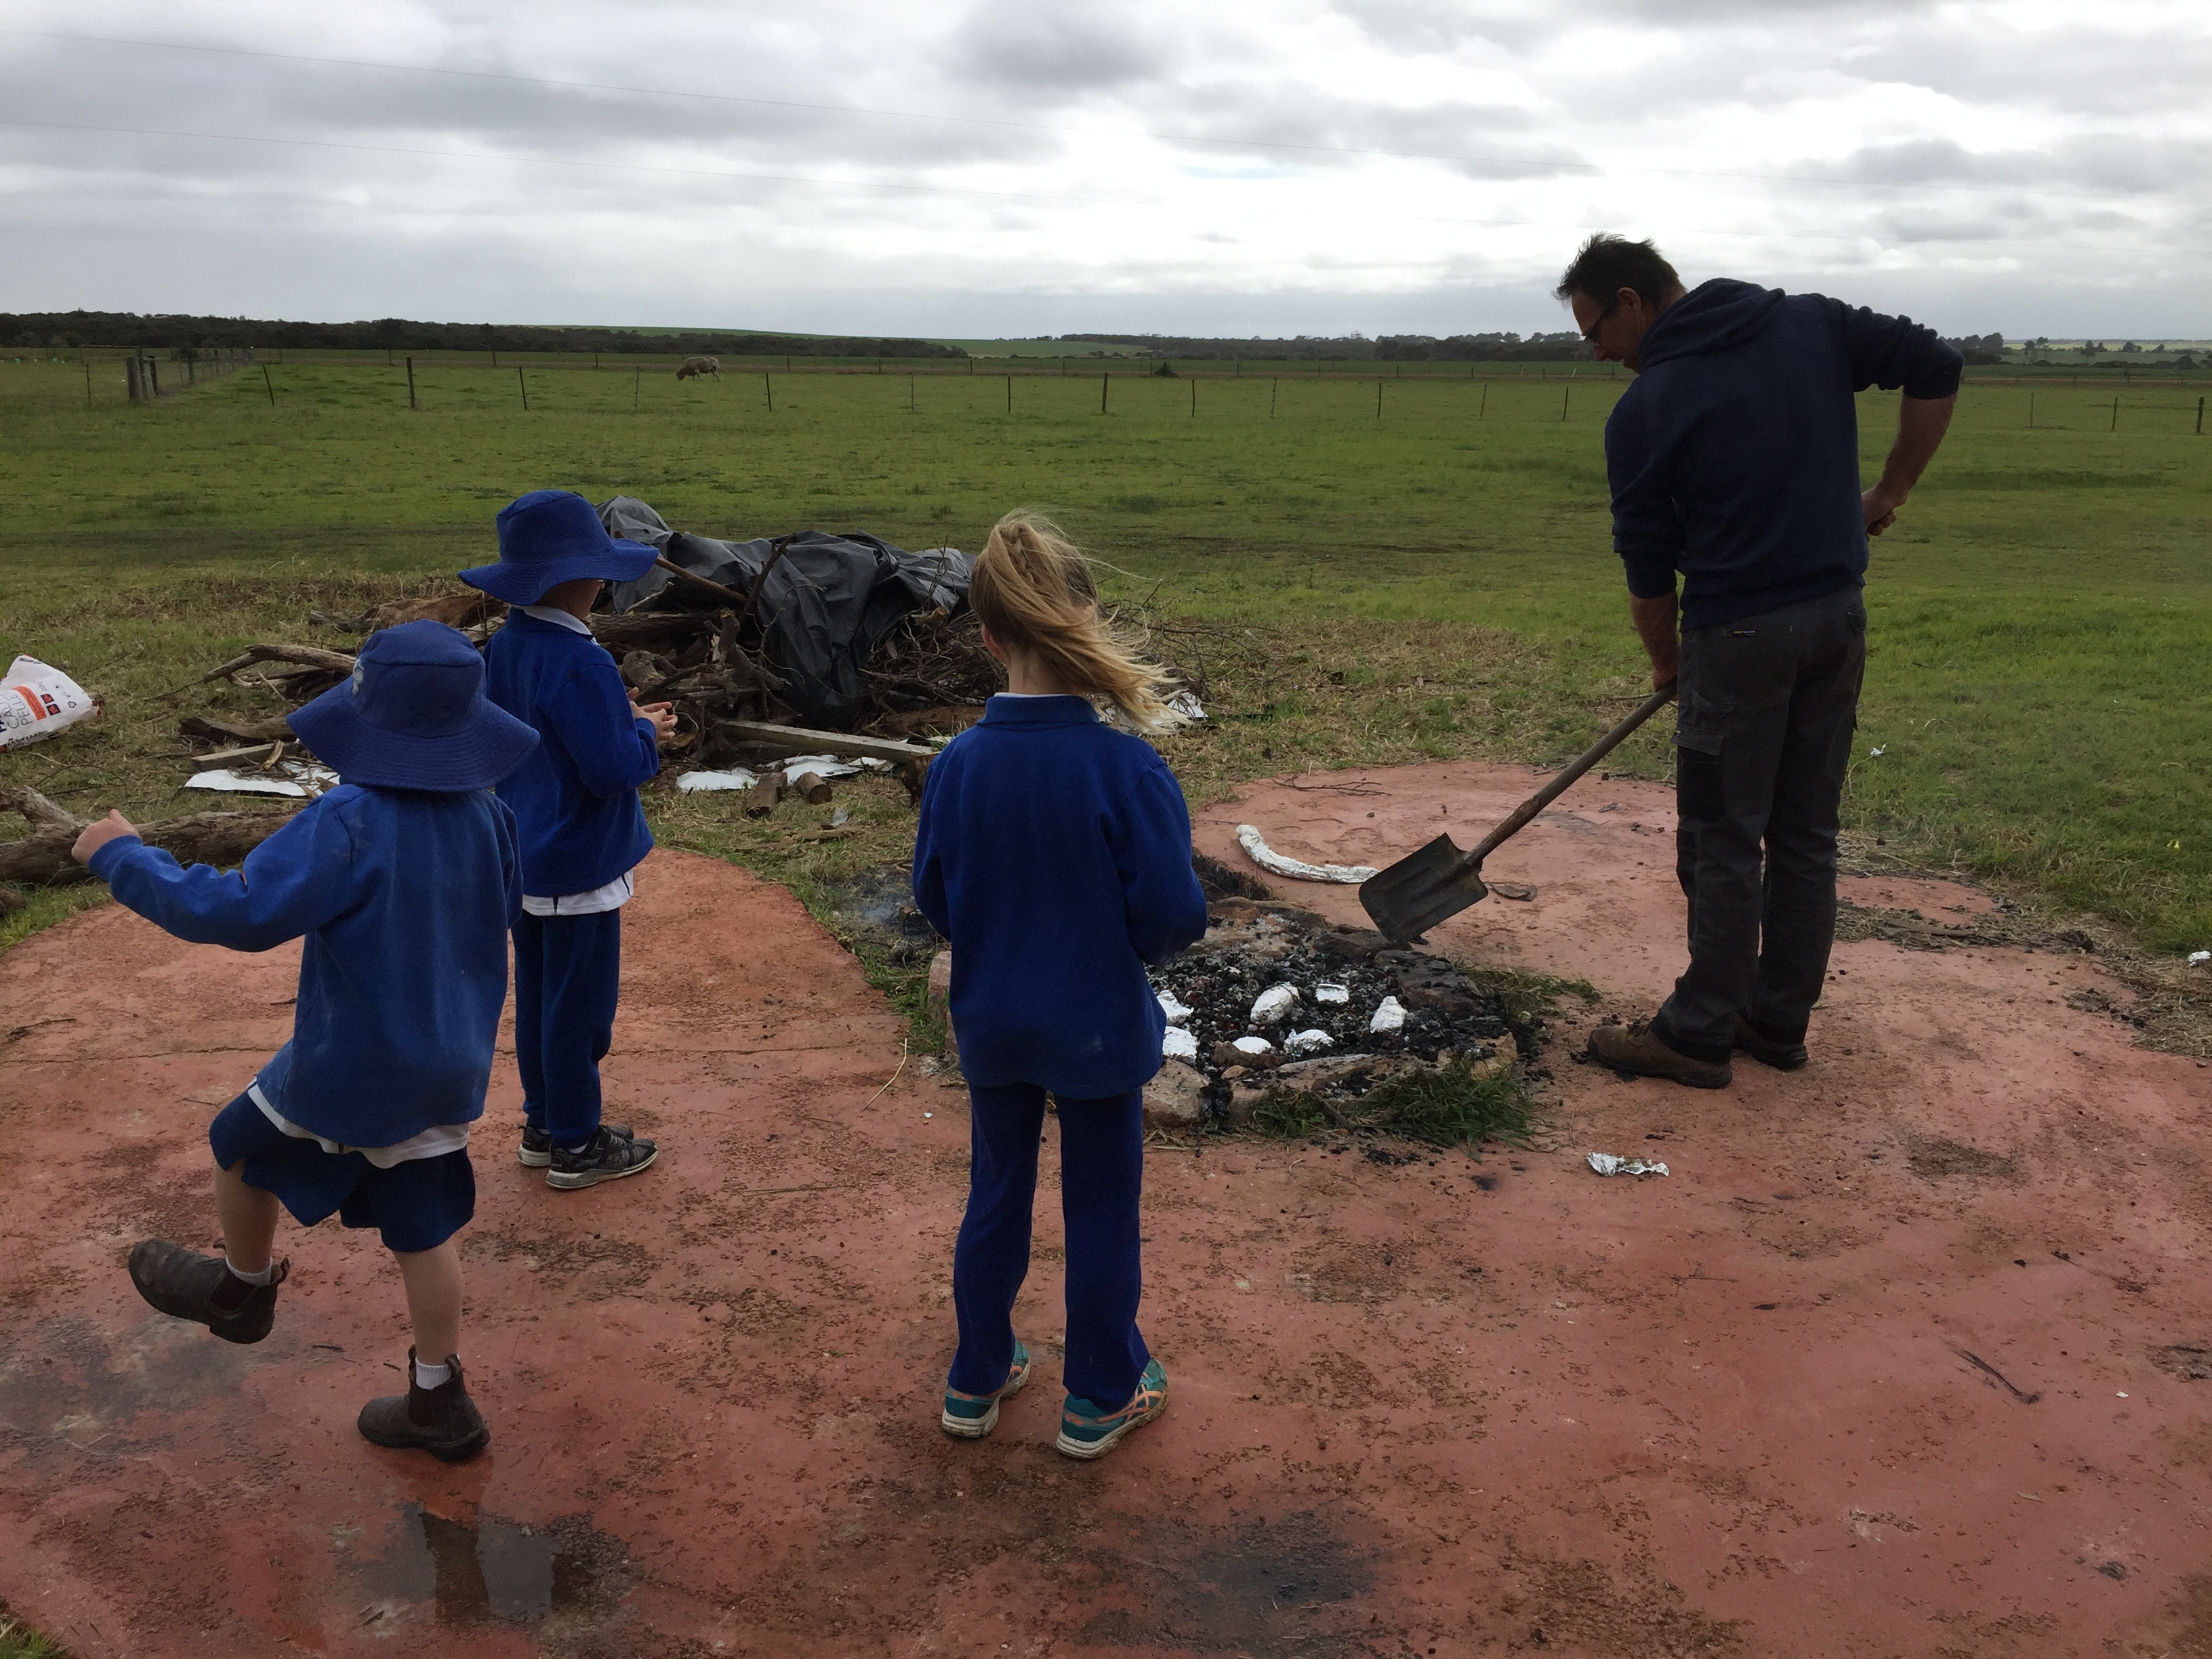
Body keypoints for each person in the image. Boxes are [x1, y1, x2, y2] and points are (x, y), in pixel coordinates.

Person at [70, 621, 539, 1462]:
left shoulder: (348, 819)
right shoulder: (492, 814)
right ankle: (440, 1400)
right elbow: (502, 912)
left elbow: (241, 913)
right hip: (450, 1064)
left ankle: (241, 1292)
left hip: (349, 1066)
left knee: (238, 1147)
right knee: (424, 1230)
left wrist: (126, 859)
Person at [1557, 234, 1961, 1088]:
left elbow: (1646, 578)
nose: (1596, 351)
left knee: (1721, 835)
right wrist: (1888, 493)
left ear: (1633, 300)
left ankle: (1700, 1031)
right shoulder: (1810, 326)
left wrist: (1669, 669)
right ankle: (1777, 1023)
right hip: (1834, 622)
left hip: (1735, 639)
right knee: (1807, 833)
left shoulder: (1647, 408)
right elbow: (1936, 361)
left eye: (1596, 330)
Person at [913, 510, 1208, 1460]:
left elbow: (936, 897)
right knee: (1101, 1207)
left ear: (989, 636)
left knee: (995, 1193)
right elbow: (1172, 918)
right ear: (1084, 620)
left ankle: (976, 1376)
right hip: (1097, 1028)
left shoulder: (956, 765)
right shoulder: (1128, 768)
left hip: (992, 1023)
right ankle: (1100, 1396)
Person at [461, 490, 675, 1188]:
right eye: (599, 571)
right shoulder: (581, 661)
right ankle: (579, 1145)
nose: (606, 583)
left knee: (541, 998)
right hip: (580, 864)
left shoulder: (507, 647)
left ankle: (545, 1123)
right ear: (574, 580)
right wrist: (645, 732)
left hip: (524, 856)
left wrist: (621, 719)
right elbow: (611, 769)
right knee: (581, 1014)